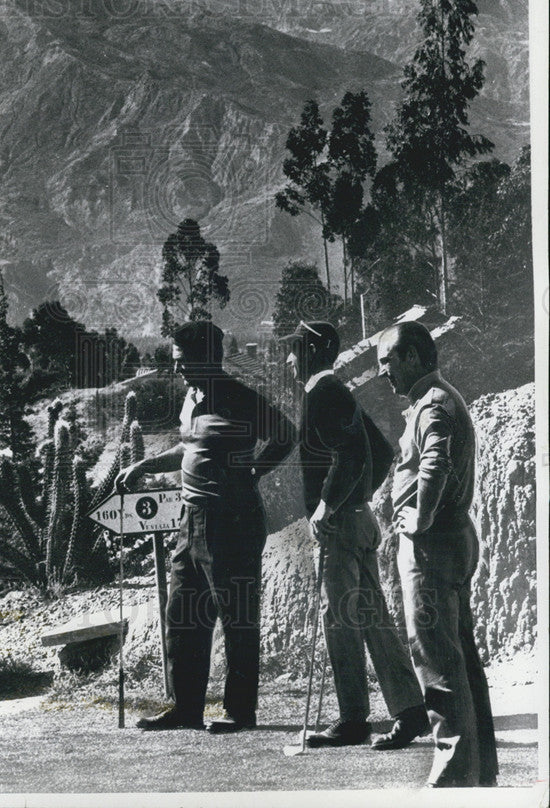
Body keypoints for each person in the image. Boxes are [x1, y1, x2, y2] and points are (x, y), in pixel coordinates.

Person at [116, 320, 296, 732]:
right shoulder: (192, 397)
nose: (178, 370)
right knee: (183, 615)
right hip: (190, 518)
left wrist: (253, 471)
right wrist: (146, 464)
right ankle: (186, 708)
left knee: (237, 618)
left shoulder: (240, 398)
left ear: (209, 358)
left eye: (184, 362)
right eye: (175, 361)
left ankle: (239, 711)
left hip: (232, 520)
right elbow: (189, 444)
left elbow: (286, 434)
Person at [281, 320, 428, 749]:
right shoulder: (335, 391)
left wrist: (330, 504)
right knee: (370, 616)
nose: (289, 359)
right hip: (354, 518)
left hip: (339, 525)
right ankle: (410, 711)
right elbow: (380, 453)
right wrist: (358, 498)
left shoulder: (323, 392)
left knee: (340, 619)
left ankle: (352, 720)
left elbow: (352, 452)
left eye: (293, 351)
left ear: (309, 352)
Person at [377, 320, 498, 787]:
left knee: (436, 659)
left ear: (412, 357)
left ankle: (452, 777)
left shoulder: (433, 404)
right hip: (446, 541)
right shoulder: (435, 400)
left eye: (388, 360)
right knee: (459, 658)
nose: (385, 371)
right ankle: (478, 772)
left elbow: (435, 464)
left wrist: (422, 518)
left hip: (432, 546)